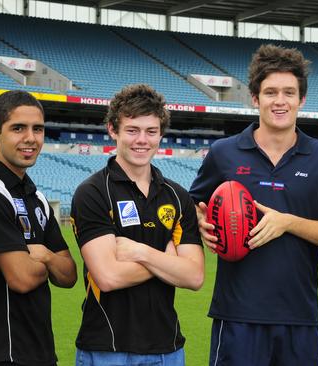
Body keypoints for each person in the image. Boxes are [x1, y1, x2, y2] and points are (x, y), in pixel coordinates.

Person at [189, 44, 318, 366]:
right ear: (255, 97)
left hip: (298, 316)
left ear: (301, 99)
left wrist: (287, 222)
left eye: (289, 93)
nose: (280, 101)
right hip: (236, 315)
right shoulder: (223, 152)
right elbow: (192, 208)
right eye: (271, 92)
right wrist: (200, 223)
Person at [70, 84, 204, 365]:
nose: (142, 140)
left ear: (161, 134)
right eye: (132, 130)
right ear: (112, 130)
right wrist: (168, 261)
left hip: (168, 349)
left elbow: (194, 277)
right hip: (108, 348)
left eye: (151, 131)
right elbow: (108, 277)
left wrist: (141, 252)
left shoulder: (178, 196)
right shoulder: (93, 192)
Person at [0, 90, 77, 365]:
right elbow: (21, 278)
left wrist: (43, 255)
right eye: (18, 128)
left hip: (40, 353)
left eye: (38, 129)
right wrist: (49, 260)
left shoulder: (36, 197)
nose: (31, 138)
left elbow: (69, 275)